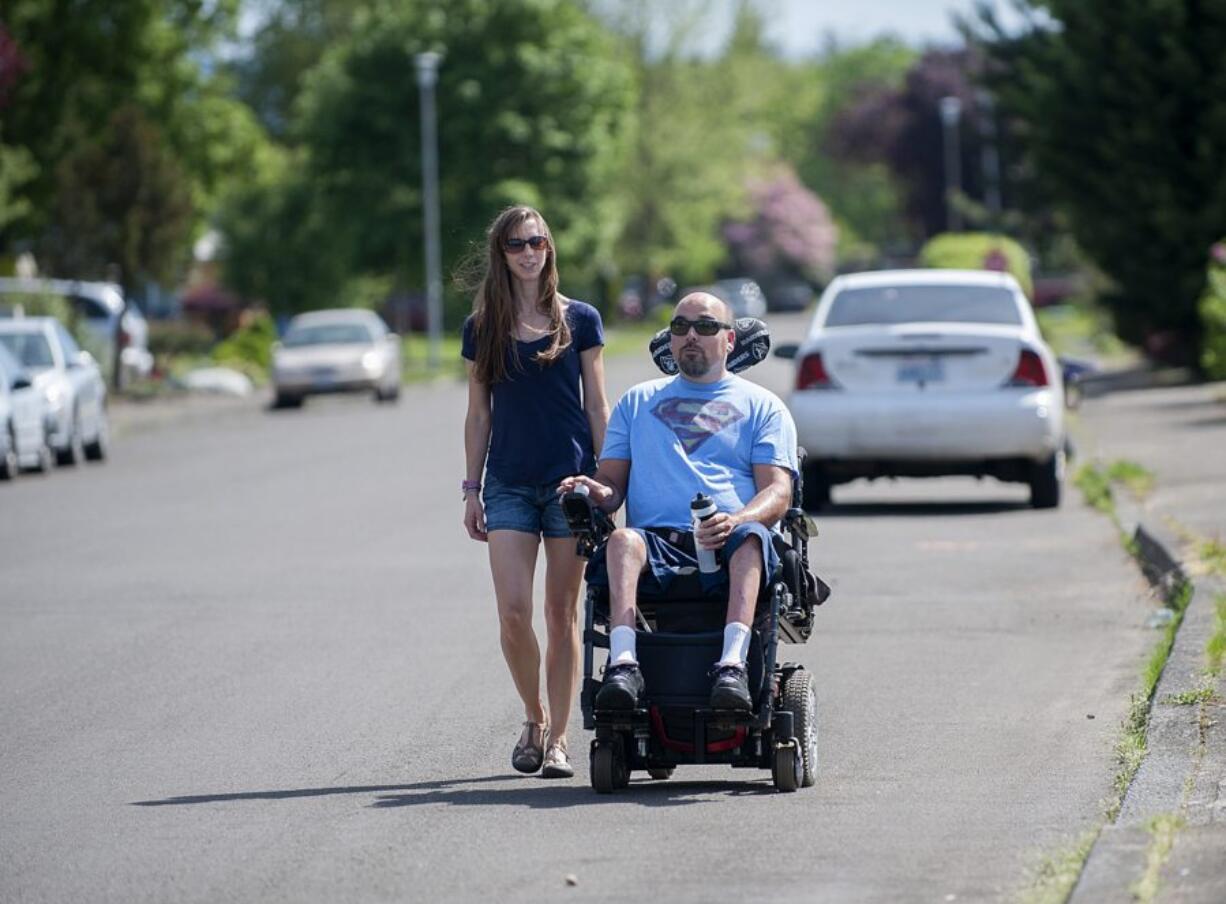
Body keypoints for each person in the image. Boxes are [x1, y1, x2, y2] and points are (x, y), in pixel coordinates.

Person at [558, 292, 798, 712]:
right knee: (621, 541)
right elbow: (612, 483)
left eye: (705, 327)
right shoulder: (637, 402)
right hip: (658, 542)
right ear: (669, 340)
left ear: (728, 341)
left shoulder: (763, 406)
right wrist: (597, 491)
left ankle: (732, 666)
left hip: (730, 539)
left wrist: (736, 519)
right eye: (680, 327)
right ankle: (625, 664)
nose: (691, 335)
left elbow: (778, 490)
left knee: (751, 539)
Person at [462, 206, 610, 779]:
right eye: (517, 244)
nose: (529, 252)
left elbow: (597, 406)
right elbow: (478, 416)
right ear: (501, 254)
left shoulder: (582, 320)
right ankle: (533, 715)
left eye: (538, 242)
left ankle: (560, 740)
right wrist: (472, 489)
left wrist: (608, 482)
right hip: (508, 483)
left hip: (572, 482)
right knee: (513, 613)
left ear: (549, 248)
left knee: (560, 612)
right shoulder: (483, 327)